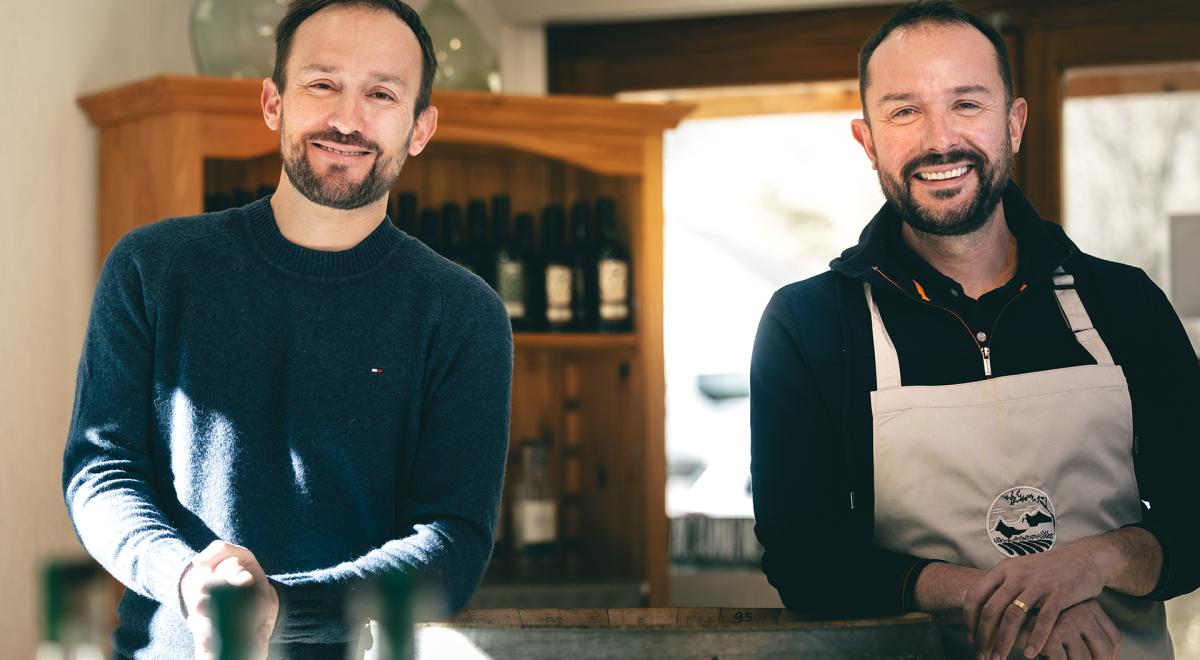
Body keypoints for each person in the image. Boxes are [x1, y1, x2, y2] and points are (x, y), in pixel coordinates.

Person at [62, 1, 513, 658]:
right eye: (322, 84)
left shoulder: (464, 313)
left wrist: (277, 606)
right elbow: (101, 473)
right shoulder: (152, 268)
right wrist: (189, 580)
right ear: (273, 103)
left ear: (420, 127)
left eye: (381, 93)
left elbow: (454, 540)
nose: (346, 119)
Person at [749, 2, 1200, 658]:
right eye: (905, 110)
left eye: (967, 104)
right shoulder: (810, 325)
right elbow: (803, 559)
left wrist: (1091, 564)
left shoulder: (1123, 302)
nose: (940, 140)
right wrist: (999, 594)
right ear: (867, 139)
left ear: (1013, 124)